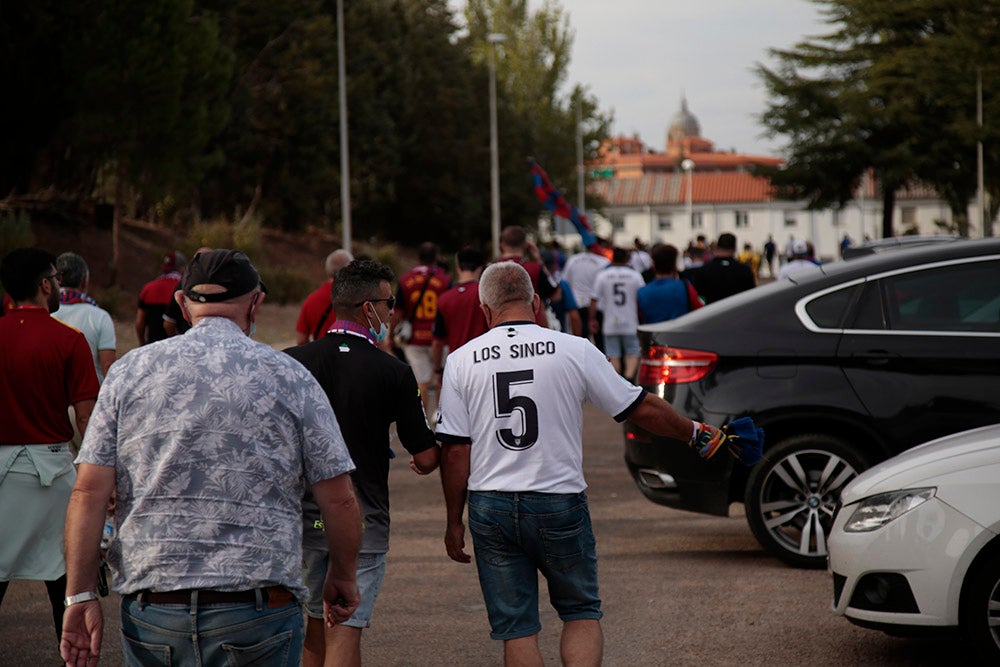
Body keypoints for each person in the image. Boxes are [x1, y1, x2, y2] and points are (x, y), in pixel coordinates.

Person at [61, 249, 362, 665]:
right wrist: (343, 575)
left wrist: (79, 594)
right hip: (259, 607)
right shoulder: (291, 376)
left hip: (154, 606)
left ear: (183, 304)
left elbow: (89, 493)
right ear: (255, 303)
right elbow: (340, 499)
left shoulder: (129, 373)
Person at [435, 261, 736, 666]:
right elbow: (640, 407)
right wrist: (694, 432)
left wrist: (455, 520)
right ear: (536, 303)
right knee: (579, 612)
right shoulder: (573, 348)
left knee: (517, 628)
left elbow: (455, 449)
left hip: (491, 505)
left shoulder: (461, 360)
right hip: (557, 500)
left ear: (484, 309)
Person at [285, 259, 440, 667]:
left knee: (314, 626)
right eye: (390, 304)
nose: (393, 313)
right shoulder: (394, 371)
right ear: (369, 308)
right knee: (345, 631)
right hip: (362, 523)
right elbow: (424, 454)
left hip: (301, 521)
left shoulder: (289, 363)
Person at [0, 248, 100, 646]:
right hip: (53, 473)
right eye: (56, 278)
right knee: (66, 583)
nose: (59, 284)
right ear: (45, 284)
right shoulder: (68, 340)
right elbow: (87, 419)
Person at [392, 242, 451, 416]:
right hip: (439, 338)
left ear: (418, 258)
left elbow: (398, 312)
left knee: (421, 382)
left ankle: (423, 422)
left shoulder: (405, 280)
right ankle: (441, 417)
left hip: (414, 339)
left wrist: (390, 336)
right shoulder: (445, 280)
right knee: (441, 379)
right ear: (436, 258)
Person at [53, 252, 116, 383]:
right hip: (89, 398)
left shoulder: (42, 312)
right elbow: (108, 367)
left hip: (50, 397)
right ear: (84, 282)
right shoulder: (100, 317)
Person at [432, 248, 489, 390]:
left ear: (458, 267)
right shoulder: (485, 294)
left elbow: (438, 341)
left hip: (457, 367)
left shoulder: (444, 299)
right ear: (481, 268)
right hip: (485, 363)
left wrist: (438, 369)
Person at [590, 247, 645, 379]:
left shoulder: (603, 275)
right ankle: (629, 378)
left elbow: (594, 300)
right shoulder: (635, 275)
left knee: (613, 354)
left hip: (610, 322)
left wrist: (592, 319)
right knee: (632, 352)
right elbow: (643, 297)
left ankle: (618, 380)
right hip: (630, 321)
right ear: (626, 259)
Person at [496, 225, 559, 328]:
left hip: (499, 329)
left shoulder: (490, 270)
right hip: (532, 327)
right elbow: (556, 295)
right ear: (526, 245)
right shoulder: (535, 268)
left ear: (501, 246)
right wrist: (539, 260)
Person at [296, 249, 355, 344]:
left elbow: (301, 340)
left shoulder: (311, 299)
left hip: (322, 356)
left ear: (327, 271)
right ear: (351, 270)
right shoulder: (359, 297)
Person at [638, 243, 702, 324]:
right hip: (680, 334)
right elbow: (699, 311)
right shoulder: (685, 287)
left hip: (655, 335)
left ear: (653, 266)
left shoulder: (642, 292)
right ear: (675, 266)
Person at [561, 242, 610, 348]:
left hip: (578, 303)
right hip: (597, 306)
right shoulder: (603, 262)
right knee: (600, 342)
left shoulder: (573, 260)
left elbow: (565, 281)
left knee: (581, 341)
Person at [685, 232, 756, 304]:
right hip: (738, 312)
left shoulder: (704, 270)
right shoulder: (744, 270)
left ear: (717, 247)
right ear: (735, 248)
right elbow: (751, 297)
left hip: (712, 312)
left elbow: (698, 298)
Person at [135, 250, 185, 345]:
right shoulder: (182, 289)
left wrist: (142, 343)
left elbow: (139, 323)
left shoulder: (148, 288)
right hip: (175, 347)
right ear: (181, 269)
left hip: (152, 345)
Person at [163, 246, 213, 337]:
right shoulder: (227, 286)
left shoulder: (183, 284)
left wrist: (179, 343)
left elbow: (168, 323)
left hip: (189, 342)